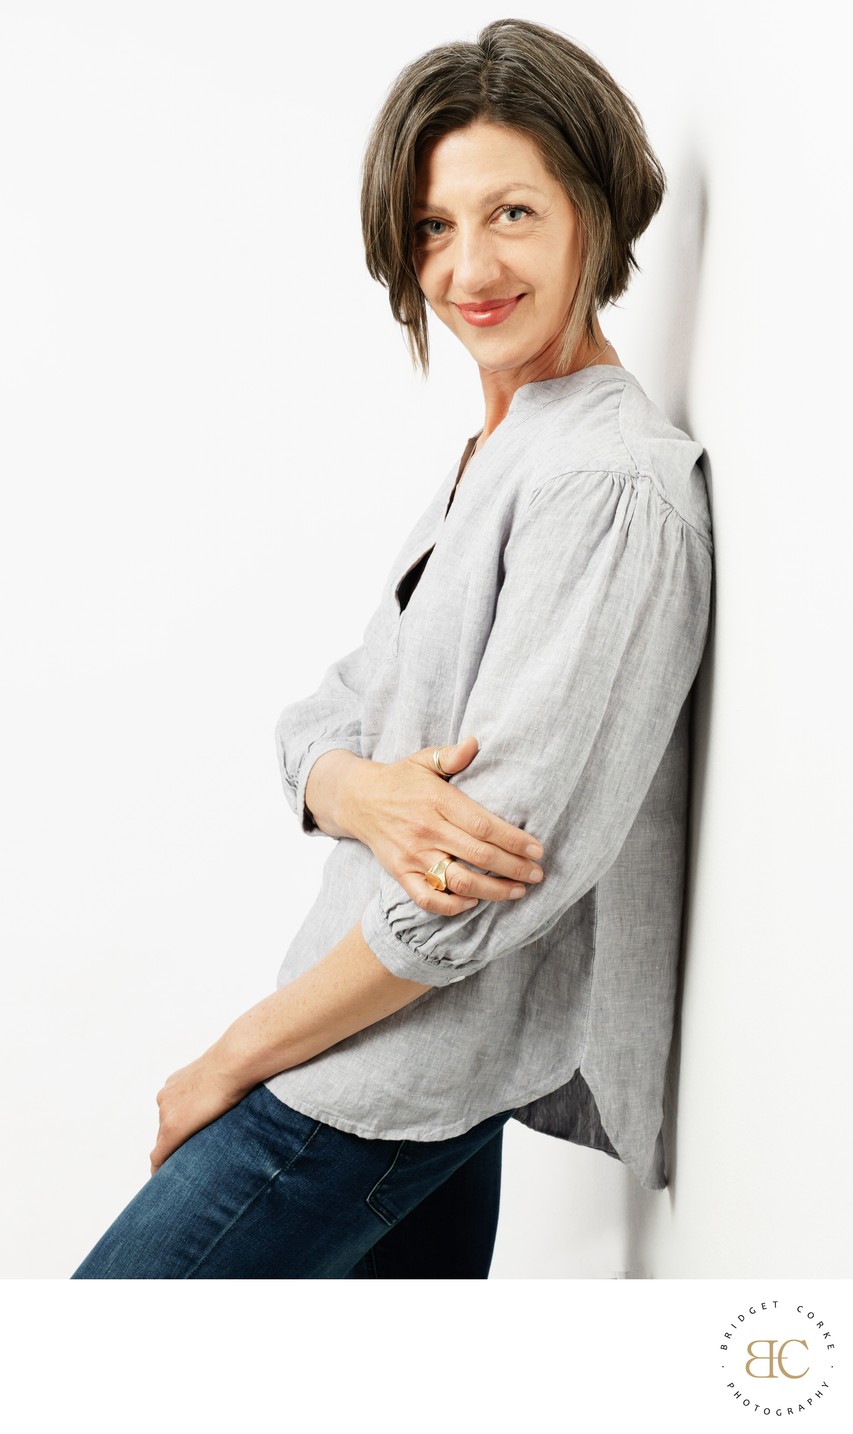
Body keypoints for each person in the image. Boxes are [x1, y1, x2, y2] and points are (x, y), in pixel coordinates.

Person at [72, 17, 713, 1280]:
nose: (465, 266)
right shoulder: (503, 449)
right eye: (432, 225)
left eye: (511, 213)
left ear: (594, 210)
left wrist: (229, 1059)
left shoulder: (605, 484)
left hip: (367, 1082)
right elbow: (331, 711)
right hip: (403, 1071)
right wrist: (356, 786)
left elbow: (469, 896)